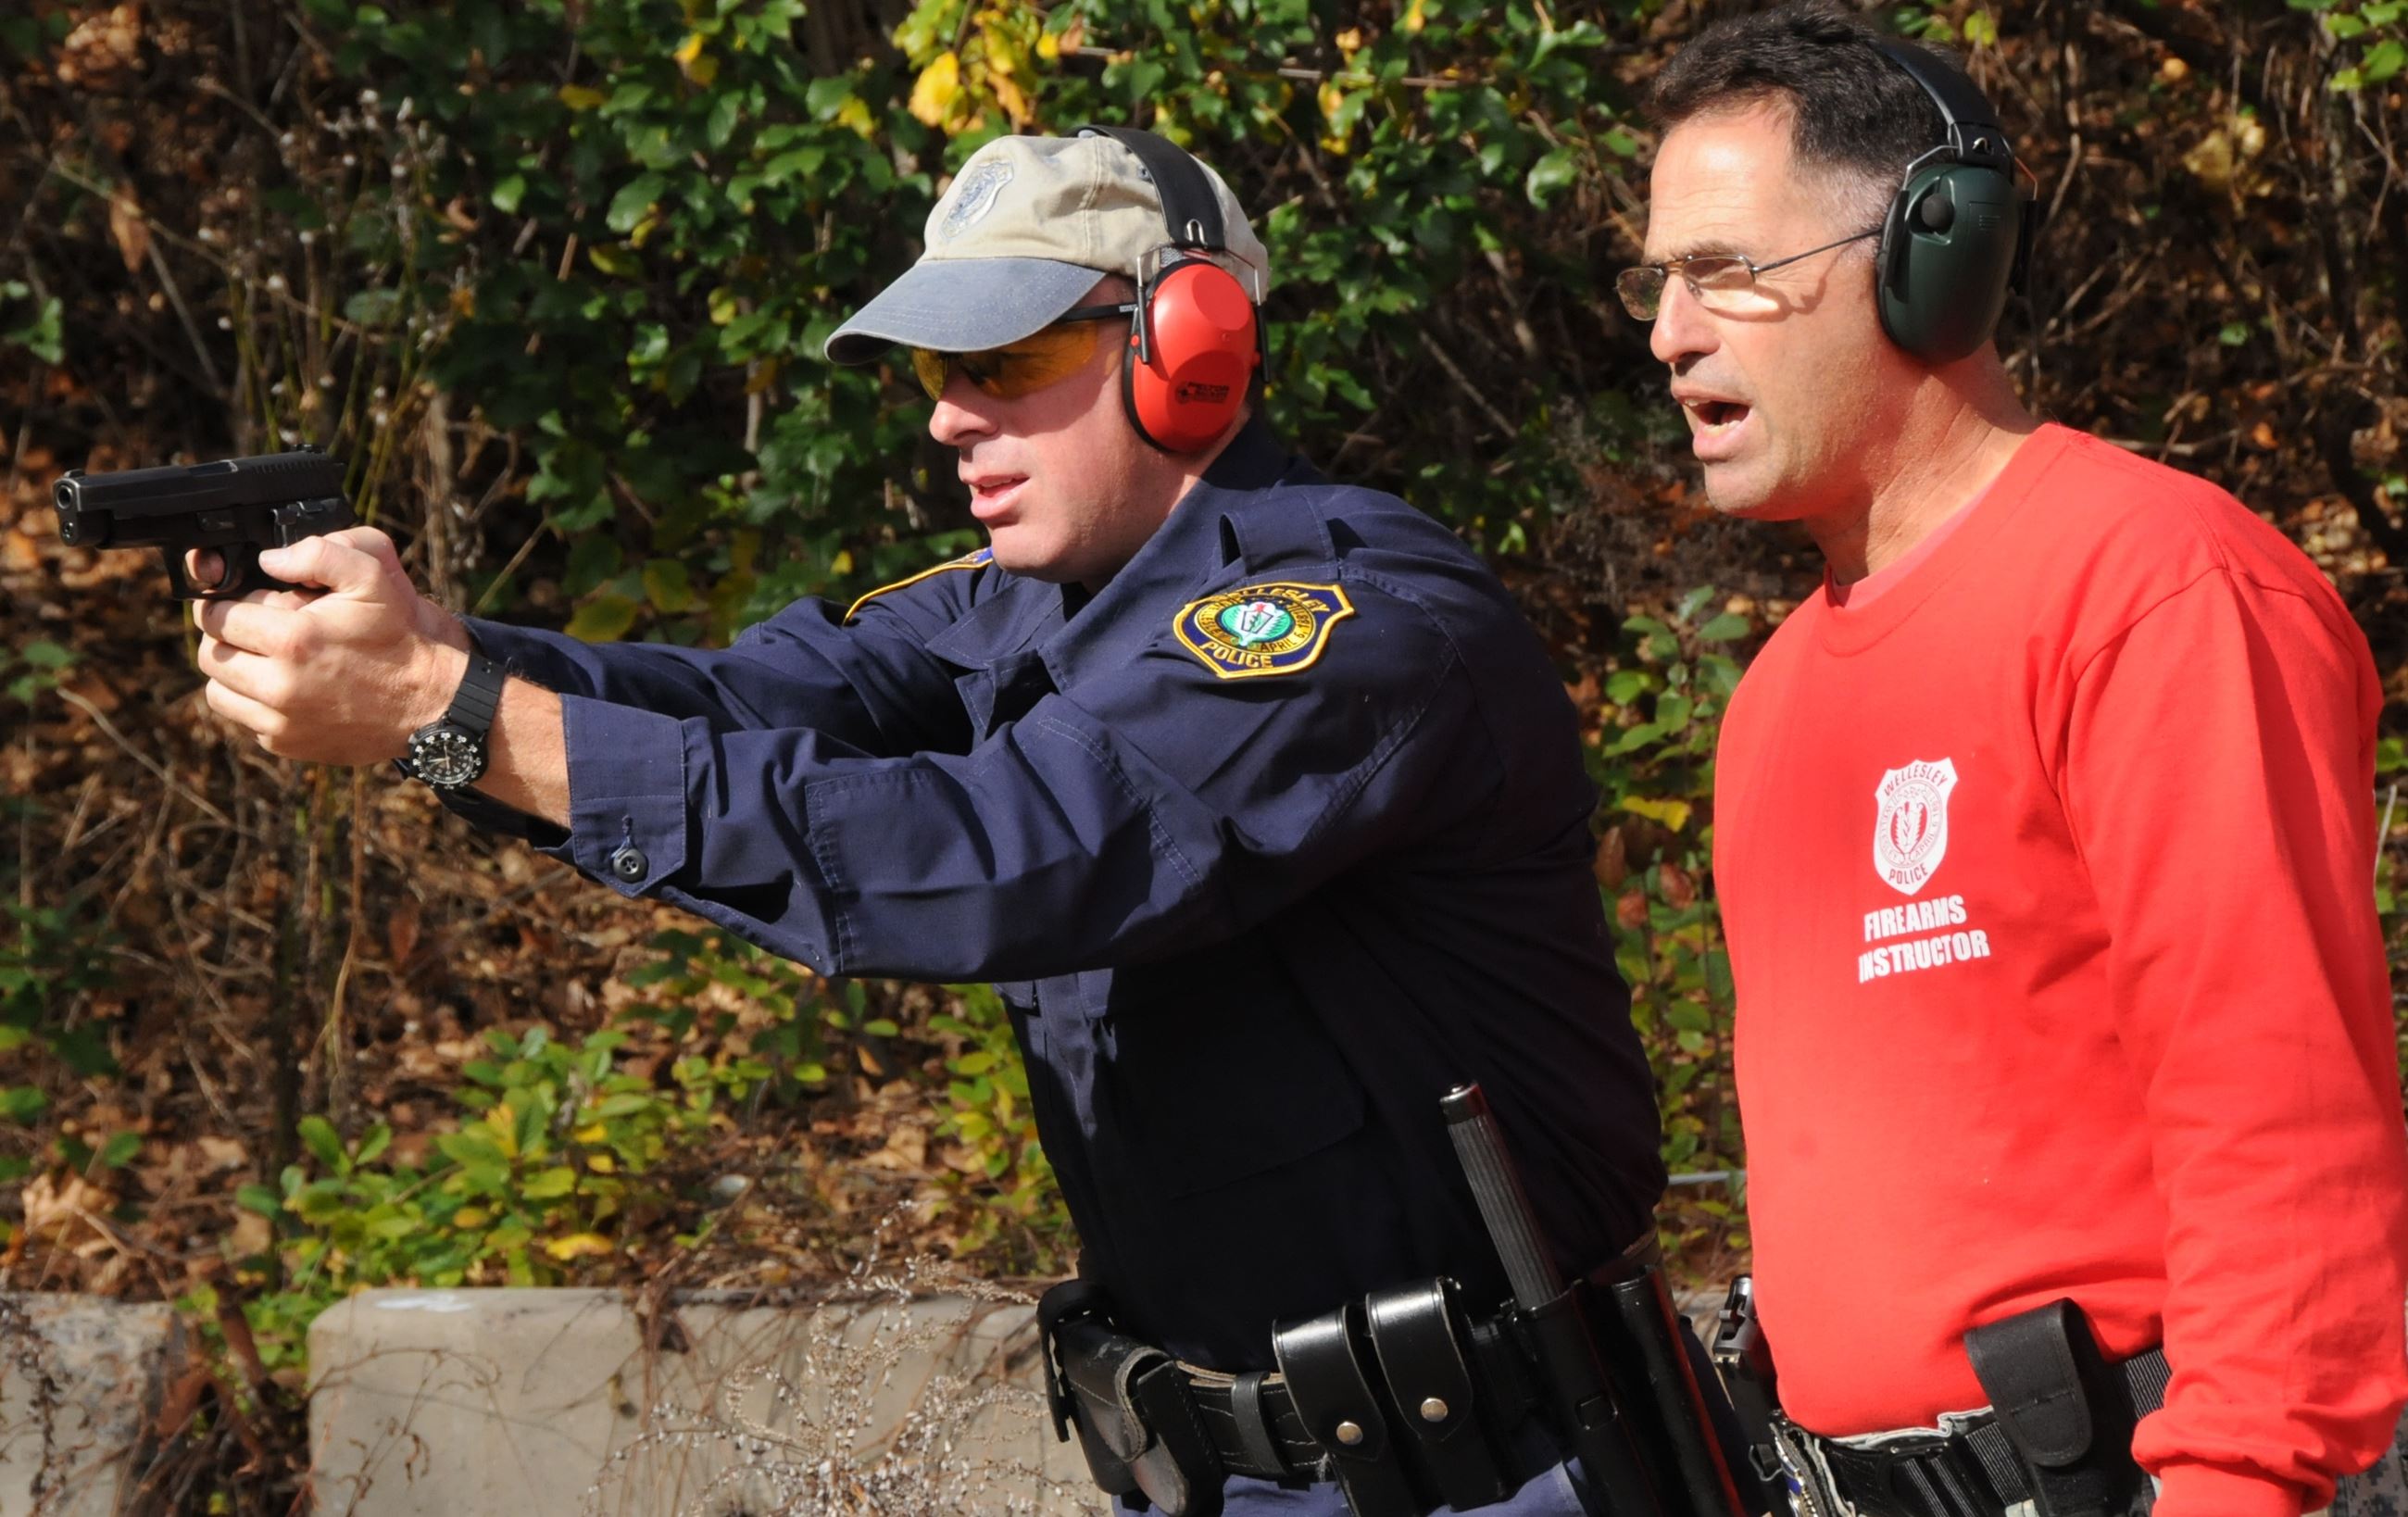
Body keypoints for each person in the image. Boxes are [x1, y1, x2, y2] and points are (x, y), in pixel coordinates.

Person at [189, 127, 1676, 1514]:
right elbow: (726, 708)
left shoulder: (1343, 620)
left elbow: (1000, 852)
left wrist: (450, 710)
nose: (956, 415)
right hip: (1229, 1464)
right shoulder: (1013, 612)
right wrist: (420, 645)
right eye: (933, 371)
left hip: (1493, 1466)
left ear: (1193, 345)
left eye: (1012, 354)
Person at [1618, 6, 2408, 1516]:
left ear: (1934, 258)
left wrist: (2239, 1486)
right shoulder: (1774, 696)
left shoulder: (2157, 593)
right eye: (1661, 278)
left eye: (1726, 273)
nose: (1669, 333)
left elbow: (2282, 1136)